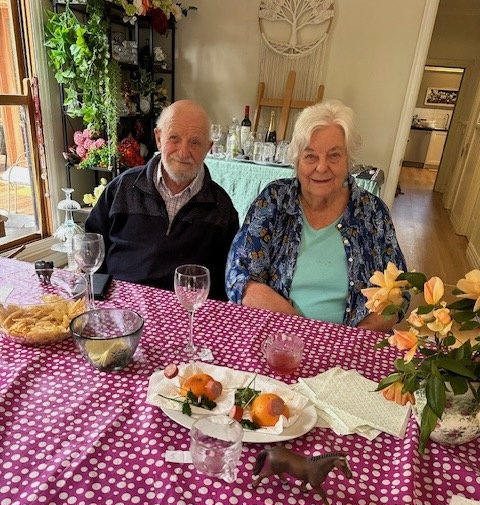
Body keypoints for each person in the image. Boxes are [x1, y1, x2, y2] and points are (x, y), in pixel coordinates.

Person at [225, 99, 407, 331]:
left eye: (334, 156)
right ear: (297, 160)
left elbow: (399, 291)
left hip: (351, 343)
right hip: (279, 336)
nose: (321, 167)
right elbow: (239, 276)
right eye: (310, 156)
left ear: (348, 160)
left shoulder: (372, 212)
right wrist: (299, 332)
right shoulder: (274, 200)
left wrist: (354, 340)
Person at [85, 100, 239, 300]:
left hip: (185, 312)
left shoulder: (222, 208)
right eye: (174, 138)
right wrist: (99, 299)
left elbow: (226, 281)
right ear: (158, 138)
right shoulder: (122, 188)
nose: (183, 152)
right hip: (119, 307)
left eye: (195, 142)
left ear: (208, 148)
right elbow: (92, 245)